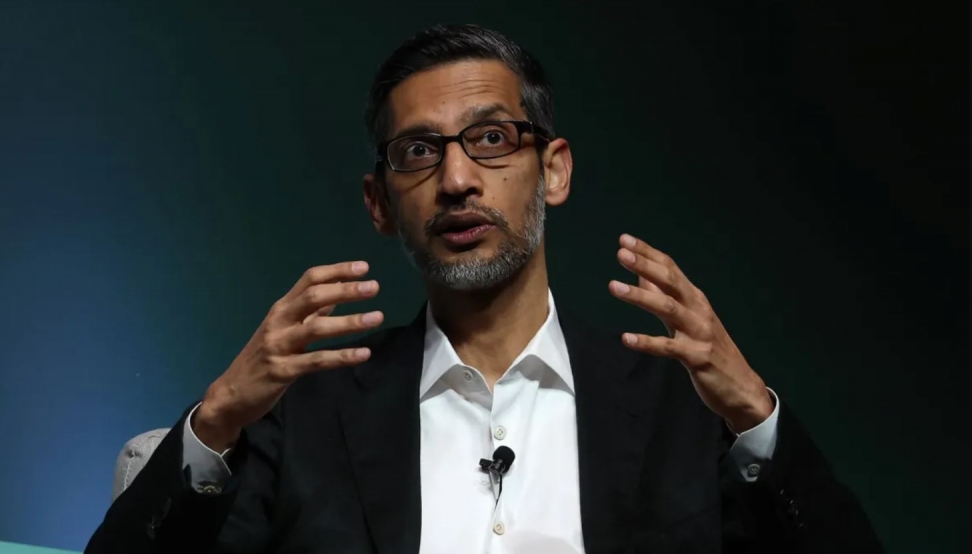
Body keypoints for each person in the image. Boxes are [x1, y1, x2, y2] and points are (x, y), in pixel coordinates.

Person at [86, 24, 883, 553]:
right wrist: (218, 418)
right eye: (419, 152)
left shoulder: (683, 406)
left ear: (554, 171)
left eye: (492, 139)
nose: (458, 179)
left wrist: (755, 417)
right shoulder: (303, 417)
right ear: (379, 204)